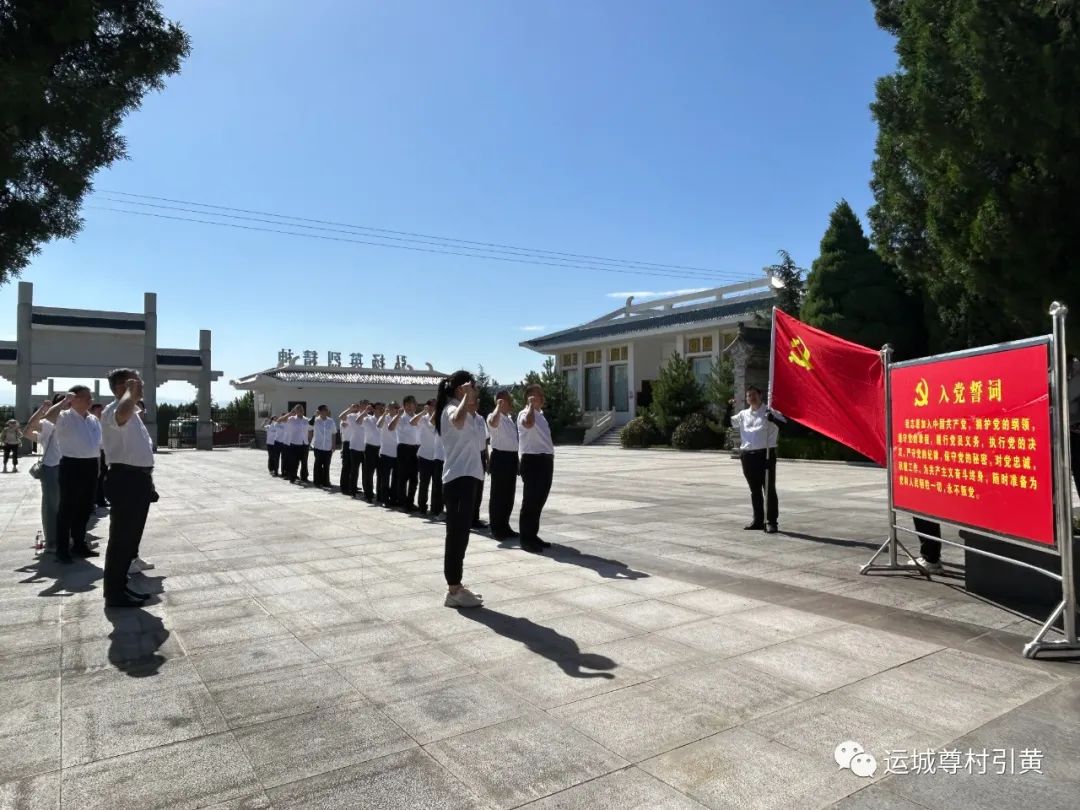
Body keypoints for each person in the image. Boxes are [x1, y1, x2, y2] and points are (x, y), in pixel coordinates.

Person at [100, 368, 157, 607]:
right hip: (126, 480)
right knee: (121, 539)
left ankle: (120, 585)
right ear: (121, 387)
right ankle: (114, 594)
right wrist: (130, 393)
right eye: (136, 382)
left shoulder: (132, 411)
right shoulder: (114, 410)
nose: (141, 385)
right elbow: (120, 415)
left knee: (130, 539)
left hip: (138, 480)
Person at [435, 371, 485, 608]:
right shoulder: (450, 409)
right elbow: (456, 420)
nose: (476, 391)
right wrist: (466, 397)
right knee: (456, 535)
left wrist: (470, 403)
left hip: (470, 477)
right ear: (460, 390)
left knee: (462, 534)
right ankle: (453, 590)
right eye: (472, 387)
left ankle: (457, 584)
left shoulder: (470, 414)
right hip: (457, 479)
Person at [42, 385, 101, 562]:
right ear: (74, 399)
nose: (90, 400)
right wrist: (64, 402)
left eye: (91, 397)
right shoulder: (64, 416)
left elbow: (99, 444)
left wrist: (99, 466)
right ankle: (62, 549)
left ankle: (79, 544)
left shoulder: (93, 419)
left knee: (85, 508)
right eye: (86, 397)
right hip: (71, 465)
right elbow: (48, 417)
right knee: (67, 509)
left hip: (91, 465)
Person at [727, 386, 786, 534]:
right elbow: (728, 423)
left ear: (760, 395)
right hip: (748, 456)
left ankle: (771, 522)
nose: (751, 398)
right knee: (755, 490)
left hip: (765, 455)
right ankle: (758, 520)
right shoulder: (743, 414)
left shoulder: (769, 411)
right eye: (748, 396)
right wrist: (728, 408)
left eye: (754, 395)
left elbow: (787, 426)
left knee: (769, 489)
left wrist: (773, 419)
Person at [23, 395, 67, 554]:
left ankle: (65, 537)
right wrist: (42, 409)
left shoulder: (73, 422)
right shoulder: (48, 424)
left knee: (66, 505)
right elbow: (29, 429)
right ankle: (52, 541)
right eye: (63, 403)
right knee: (51, 506)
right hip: (52, 467)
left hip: (69, 468)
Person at [518, 384, 554, 553]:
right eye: (536, 395)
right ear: (529, 398)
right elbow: (528, 423)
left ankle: (533, 535)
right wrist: (531, 406)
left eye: (541, 394)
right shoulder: (524, 413)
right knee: (531, 501)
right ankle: (525, 539)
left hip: (545, 460)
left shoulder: (541, 415)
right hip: (533, 461)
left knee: (539, 500)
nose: (541, 397)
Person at [487, 390, 520, 540]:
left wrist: (517, 460)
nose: (511, 402)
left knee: (508, 495)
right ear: (500, 402)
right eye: (508, 400)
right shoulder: (494, 416)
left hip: (511, 458)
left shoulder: (509, 419)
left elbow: (513, 442)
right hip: (500, 458)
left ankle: (505, 526)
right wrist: (498, 407)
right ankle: (496, 528)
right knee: (498, 496)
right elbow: (492, 423)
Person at [392, 396, 421, 511]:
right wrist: (398, 415)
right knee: (403, 478)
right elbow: (390, 428)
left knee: (414, 478)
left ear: (415, 405)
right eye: (407, 405)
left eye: (412, 404)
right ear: (403, 406)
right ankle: (402, 502)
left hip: (415, 449)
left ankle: (410, 502)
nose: (410, 407)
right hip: (403, 448)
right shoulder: (400, 418)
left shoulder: (418, 418)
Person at [416, 399, 444, 517]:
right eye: (432, 406)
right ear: (427, 407)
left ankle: (435, 509)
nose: (435, 407)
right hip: (425, 456)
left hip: (437, 457)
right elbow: (429, 423)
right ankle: (422, 507)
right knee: (424, 484)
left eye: (436, 406)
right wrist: (424, 412)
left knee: (437, 485)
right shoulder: (423, 419)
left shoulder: (441, 419)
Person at [469, 397, 489, 529]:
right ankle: (468, 518)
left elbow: (485, 440)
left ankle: (475, 518)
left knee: (479, 488)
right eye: (474, 402)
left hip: (481, 456)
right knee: (471, 488)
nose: (476, 405)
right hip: (470, 456)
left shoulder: (481, 419)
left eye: (477, 403)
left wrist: (487, 458)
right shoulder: (465, 418)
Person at [377, 402, 400, 506]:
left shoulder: (400, 418)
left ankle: (394, 498)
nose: (393, 409)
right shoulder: (384, 418)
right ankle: (384, 499)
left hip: (397, 453)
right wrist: (384, 414)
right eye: (390, 407)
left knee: (396, 479)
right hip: (385, 452)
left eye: (395, 407)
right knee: (385, 478)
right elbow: (378, 425)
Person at [310, 405, 337, 488]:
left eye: (327, 410)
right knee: (318, 465)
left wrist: (334, 445)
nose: (326, 411)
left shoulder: (331, 421)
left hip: (328, 446)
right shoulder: (315, 420)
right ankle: (317, 481)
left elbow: (334, 433)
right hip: (318, 446)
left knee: (326, 465)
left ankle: (326, 482)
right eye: (324, 410)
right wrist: (314, 415)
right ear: (320, 411)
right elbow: (309, 425)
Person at [89, 403, 109, 508]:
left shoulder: (104, 423)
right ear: (92, 411)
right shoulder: (90, 422)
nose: (101, 413)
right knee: (96, 477)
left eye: (102, 411)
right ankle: (96, 500)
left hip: (103, 452)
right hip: (94, 453)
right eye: (98, 411)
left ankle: (100, 499)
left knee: (102, 477)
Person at [285, 405, 311, 483]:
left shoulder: (306, 420)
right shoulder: (291, 419)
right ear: (295, 411)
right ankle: (292, 477)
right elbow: (280, 420)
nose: (300, 411)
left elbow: (310, 430)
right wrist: (289, 414)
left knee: (304, 462)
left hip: (304, 444)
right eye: (298, 410)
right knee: (294, 462)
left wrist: (309, 440)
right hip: (294, 443)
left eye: (302, 410)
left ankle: (304, 477)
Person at [361, 402, 382, 502]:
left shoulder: (385, 419)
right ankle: (368, 494)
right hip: (370, 448)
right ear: (373, 409)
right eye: (378, 408)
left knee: (381, 473)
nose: (380, 410)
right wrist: (365, 411)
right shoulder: (367, 419)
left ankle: (380, 495)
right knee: (369, 473)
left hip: (381, 448)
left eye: (382, 408)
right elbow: (358, 421)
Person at [337, 404, 356, 493]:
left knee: (353, 467)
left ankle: (351, 486)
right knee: (346, 466)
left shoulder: (358, 417)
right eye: (353, 406)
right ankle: (344, 487)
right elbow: (341, 417)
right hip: (347, 443)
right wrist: (349, 409)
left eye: (356, 406)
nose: (355, 408)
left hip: (355, 444)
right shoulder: (346, 417)